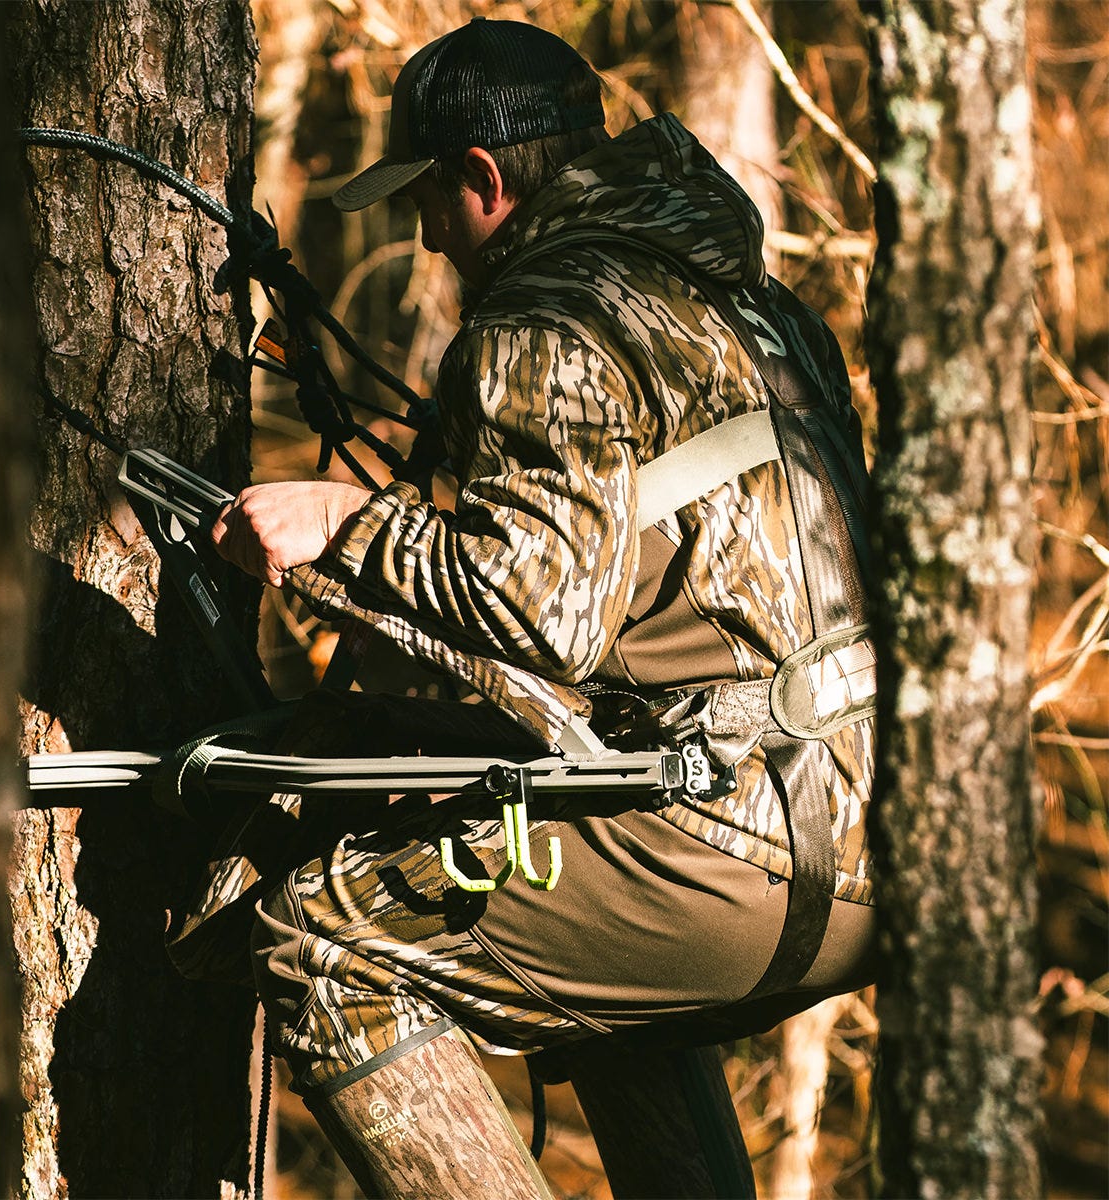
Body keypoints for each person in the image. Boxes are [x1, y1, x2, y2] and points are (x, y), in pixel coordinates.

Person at [209, 17, 877, 1199]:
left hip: (732, 855)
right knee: (596, 994)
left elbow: (539, 611)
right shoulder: (756, 307)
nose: (421, 234)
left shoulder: (544, 325)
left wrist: (338, 526)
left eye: (427, 198)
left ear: (484, 178)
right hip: (873, 844)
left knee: (321, 944)